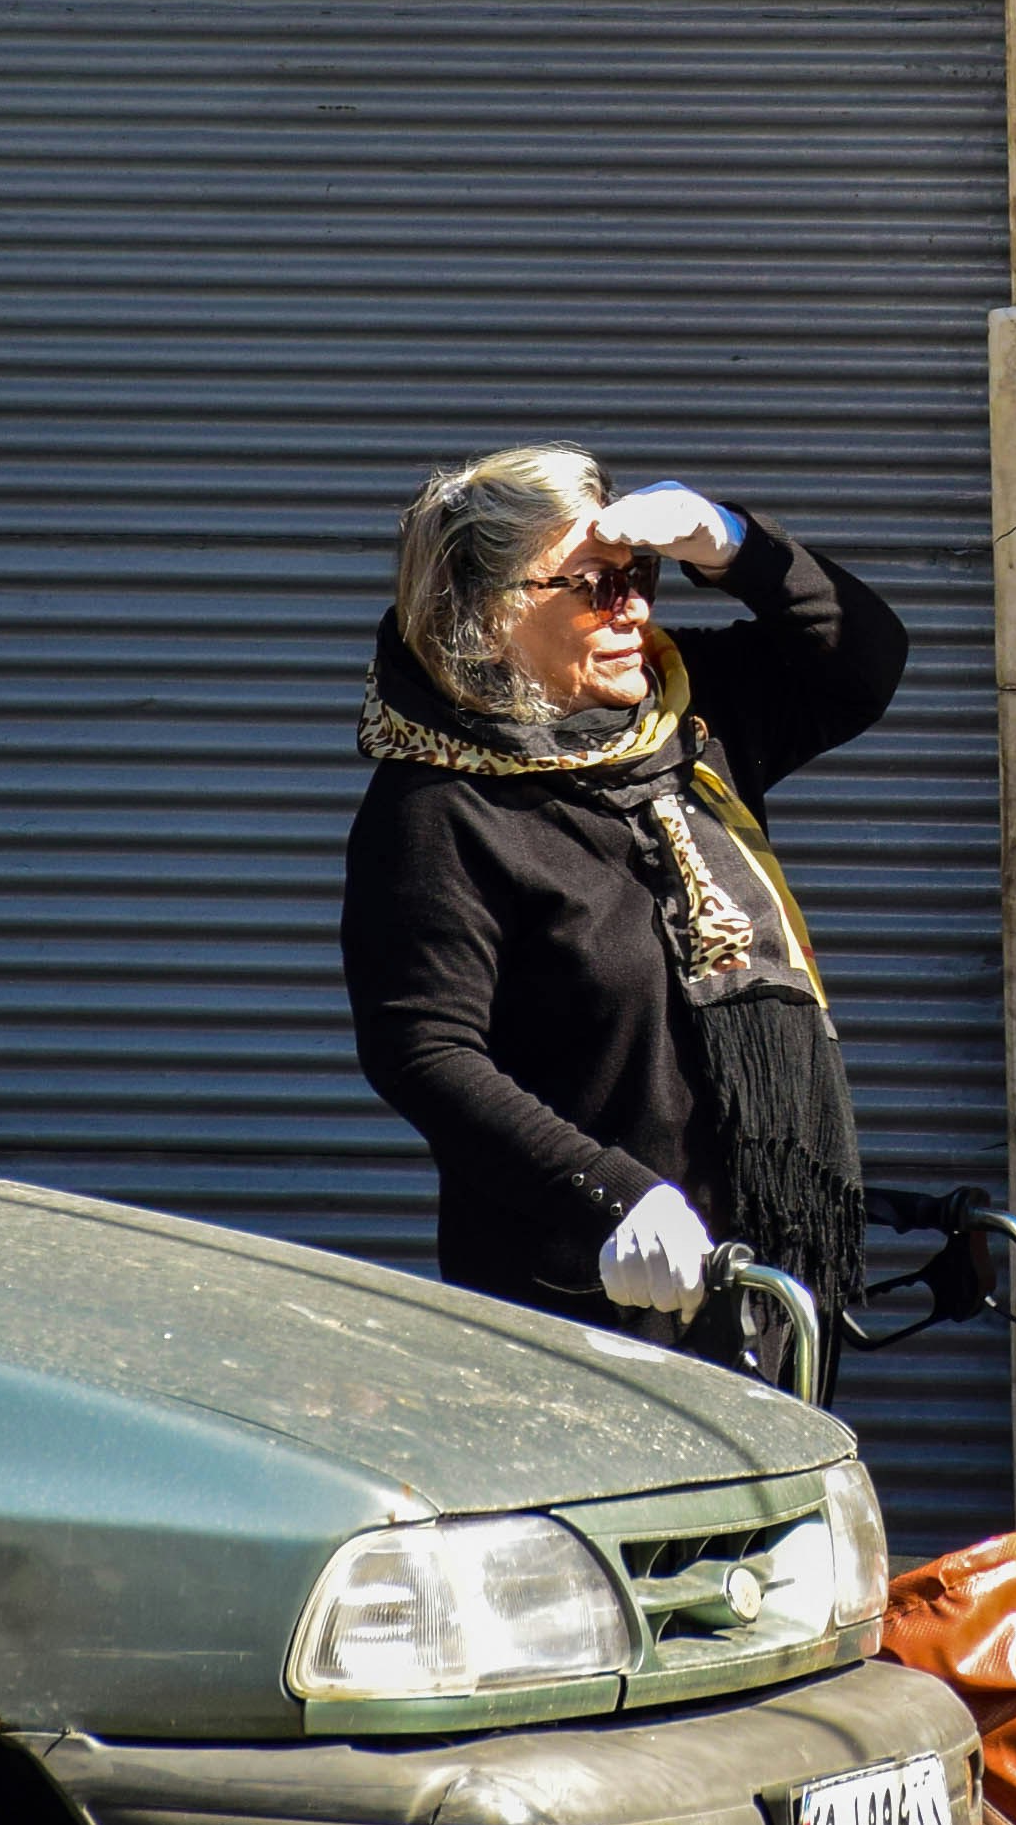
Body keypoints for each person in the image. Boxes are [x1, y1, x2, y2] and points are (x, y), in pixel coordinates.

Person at [340, 445, 906, 1354]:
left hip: (758, 1273)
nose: (636, 606)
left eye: (640, 575)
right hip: (590, 1290)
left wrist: (733, 545)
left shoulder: (686, 713)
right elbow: (423, 1052)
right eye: (595, 586)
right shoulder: (438, 806)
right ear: (488, 617)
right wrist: (612, 1192)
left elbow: (864, 659)